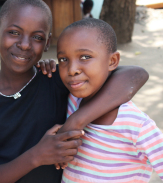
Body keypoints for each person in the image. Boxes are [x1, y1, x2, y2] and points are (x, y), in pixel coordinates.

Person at [0, 0, 148, 183]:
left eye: (37, 37)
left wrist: (77, 120)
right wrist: (37, 156)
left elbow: (135, 74)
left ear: (47, 43)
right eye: (14, 33)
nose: (25, 44)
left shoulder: (57, 79)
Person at [58, 18, 163, 182]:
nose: (72, 70)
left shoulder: (136, 125)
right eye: (63, 59)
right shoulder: (72, 102)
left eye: (85, 57)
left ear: (112, 61)